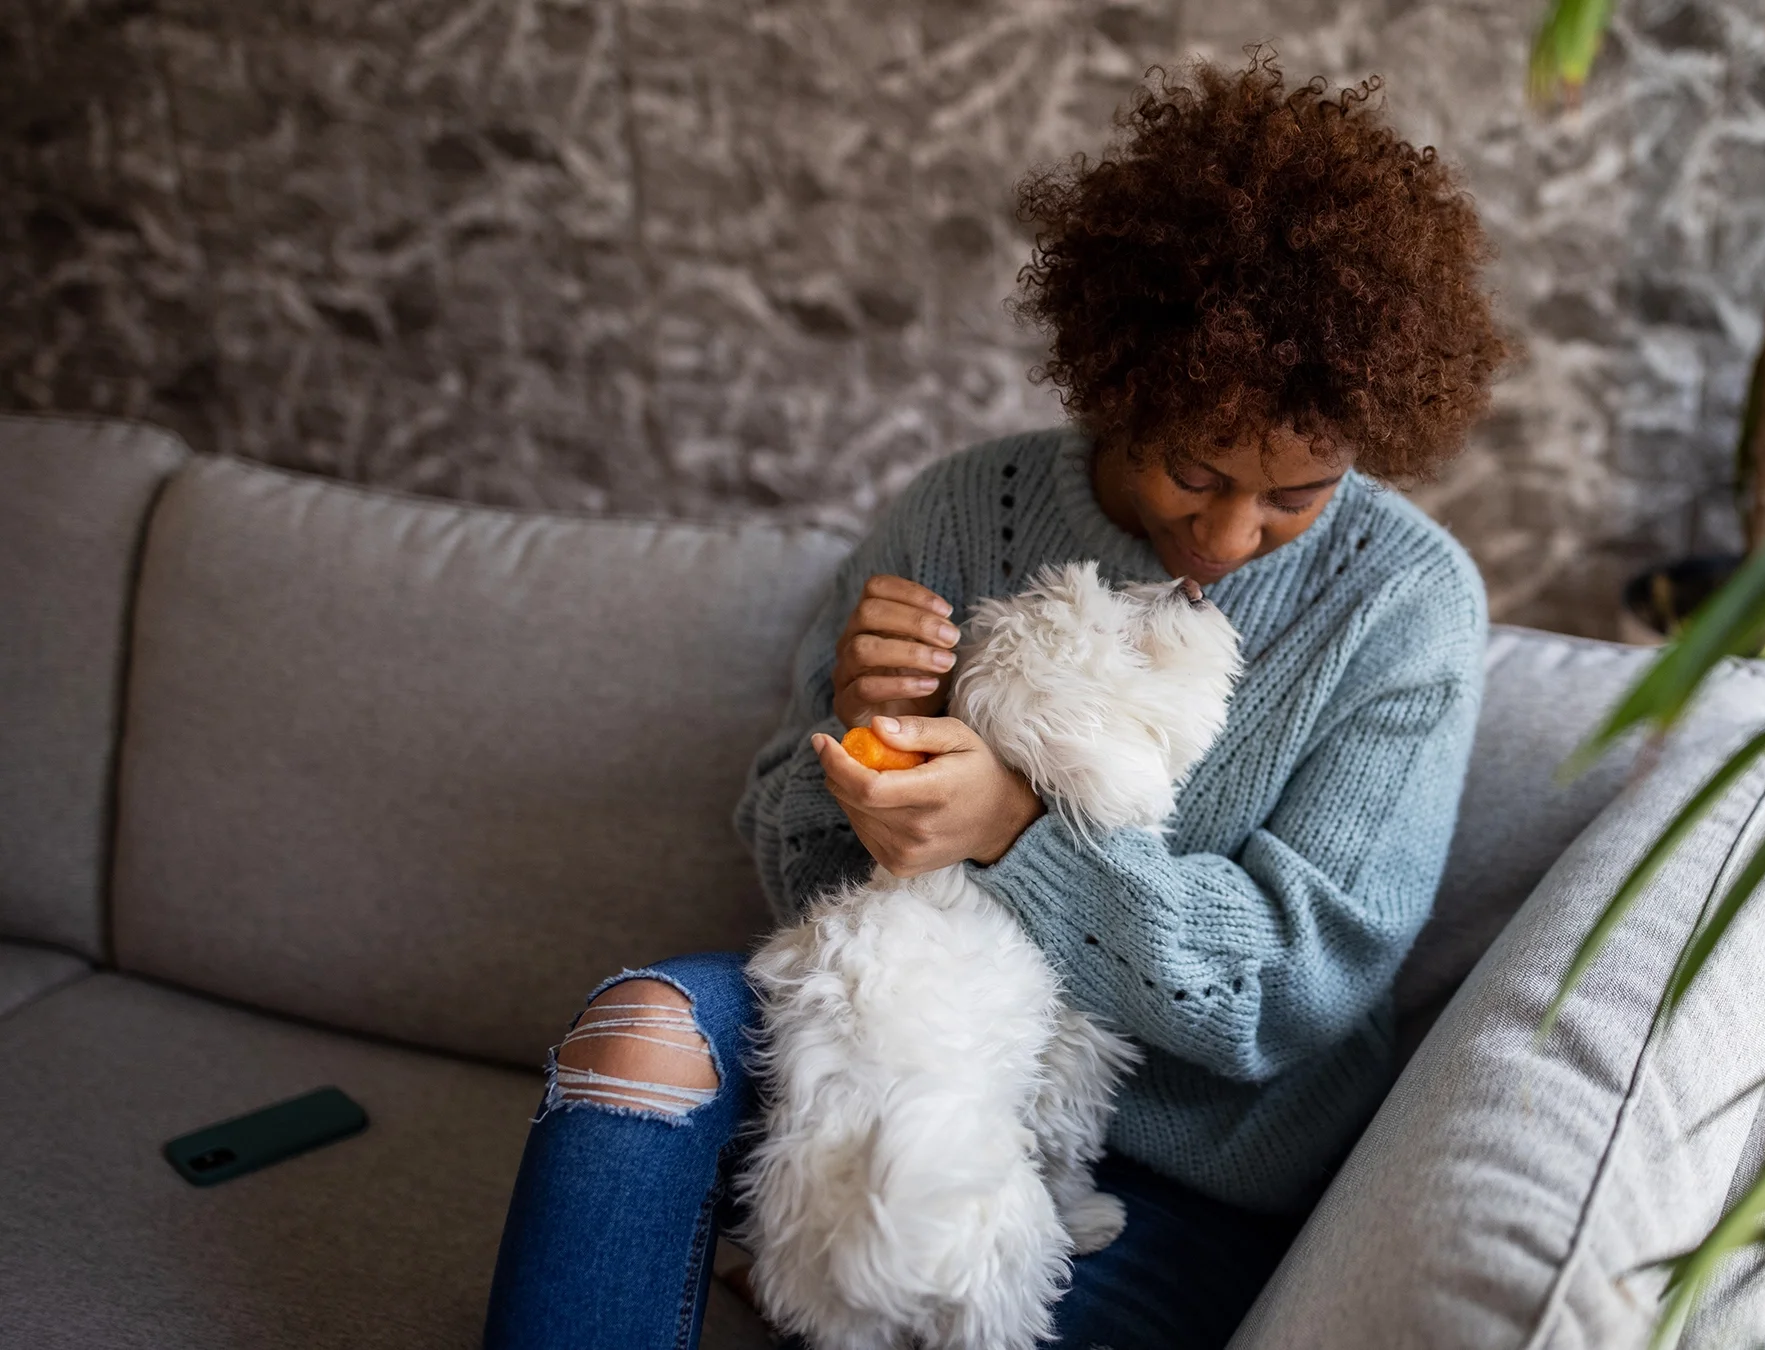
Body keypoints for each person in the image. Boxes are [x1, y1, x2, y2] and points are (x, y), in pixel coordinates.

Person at [483, 51, 1509, 1350]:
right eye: (1197, 467)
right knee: (637, 1036)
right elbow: (799, 871)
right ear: (1120, 382)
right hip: (888, 1054)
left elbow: (1292, 988)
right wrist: (858, 738)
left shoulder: (1407, 607)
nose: (1236, 533)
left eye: (1295, 493)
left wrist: (1014, 830)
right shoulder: (968, 511)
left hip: (1179, 1174)